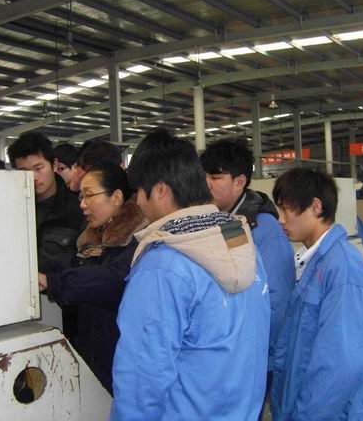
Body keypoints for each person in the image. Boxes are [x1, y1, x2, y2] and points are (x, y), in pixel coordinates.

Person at [110, 129, 270, 420]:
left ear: (160, 190)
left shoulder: (161, 267)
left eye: (139, 192)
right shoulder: (239, 239)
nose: (139, 203)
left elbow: (141, 379)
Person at [270, 168, 363, 420]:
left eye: (286, 209)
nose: (280, 220)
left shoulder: (343, 269)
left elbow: (340, 365)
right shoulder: (316, 261)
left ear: (316, 207)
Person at [200, 137, 295, 414]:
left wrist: (248, 349)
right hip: (228, 352)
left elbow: (277, 300)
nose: (207, 184)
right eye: (205, 176)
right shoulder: (223, 220)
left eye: (216, 177)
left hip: (253, 355)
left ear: (240, 182)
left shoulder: (263, 228)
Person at [38, 163, 148, 394]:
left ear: (116, 197)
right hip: (94, 357)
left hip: (122, 365)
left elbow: (114, 280)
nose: (82, 204)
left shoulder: (138, 240)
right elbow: (70, 264)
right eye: (81, 197)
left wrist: (55, 282)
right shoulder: (93, 237)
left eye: (89, 196)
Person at [7, 132, 84, 339]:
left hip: (67, 316)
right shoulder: (10, 211)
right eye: (24, 171)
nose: (33, 177)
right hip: (18, 314)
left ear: (54, 164)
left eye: (38, 168)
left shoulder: (78, 210)